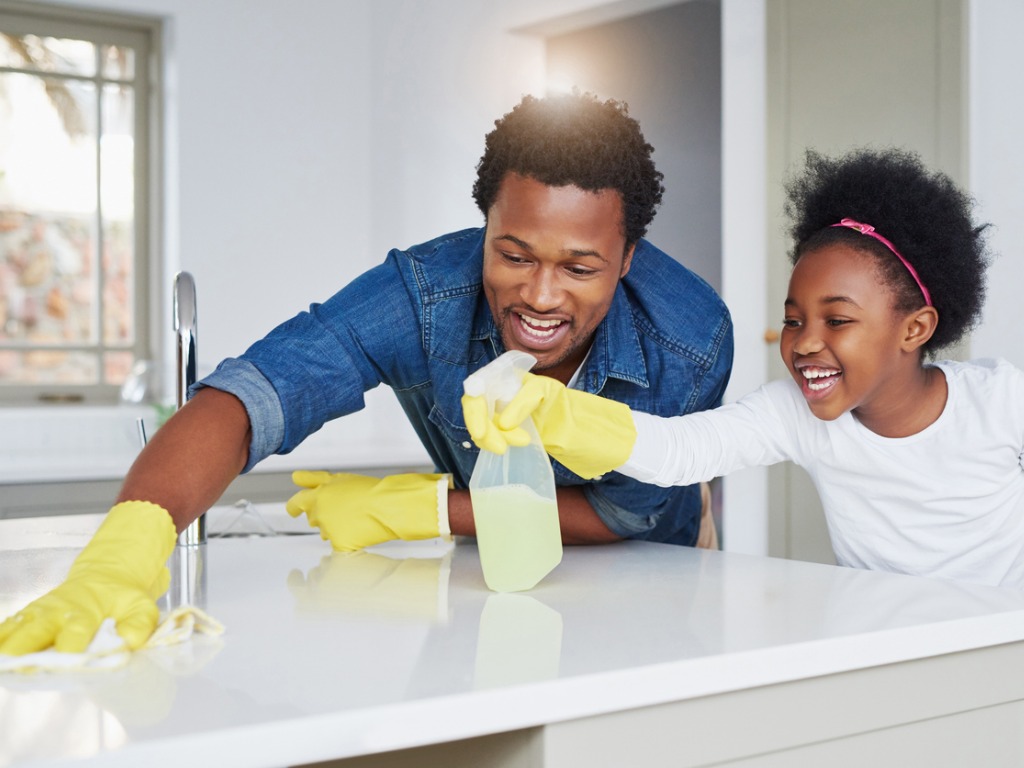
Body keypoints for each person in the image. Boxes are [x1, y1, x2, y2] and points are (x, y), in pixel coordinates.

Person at [0, 91, 733, 655]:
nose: (540, 295)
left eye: (579, 267)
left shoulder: (691, 340)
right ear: (483, 229)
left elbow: (622, 515)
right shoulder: (421, 296)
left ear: (629, 257)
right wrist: (127, 546)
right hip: (495, 583)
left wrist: (422, 509)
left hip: (647, 577)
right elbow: (255, 396)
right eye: (513, 256)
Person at [466, 147, 1024, 589]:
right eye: (793, 320)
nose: (805, 343)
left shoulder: (1000, 403)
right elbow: (681, 450)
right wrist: (558, 412)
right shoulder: (798, 414)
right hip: (879, 642)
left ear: (915, 329)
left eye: (838, 321)